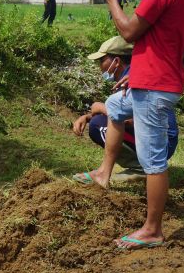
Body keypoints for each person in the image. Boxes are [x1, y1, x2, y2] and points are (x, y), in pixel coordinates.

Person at [89, 0, 184, 250]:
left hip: (155, 83)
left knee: (153, 161)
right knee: (113, 106)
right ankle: (103, 173)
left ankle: (153, 229)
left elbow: (128, 31)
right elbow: (162, 35)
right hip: (156, 75)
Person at [71, 36, 178, 184]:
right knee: (97, 120)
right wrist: (88, 116)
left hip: (161, 142)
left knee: (97, 126)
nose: (99, 66)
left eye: (102, 60)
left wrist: (100, 108)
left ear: (116, 61)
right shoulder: (132, 73)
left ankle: (141, 168)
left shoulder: (130, 80)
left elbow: (134, 119)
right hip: (161, 137)